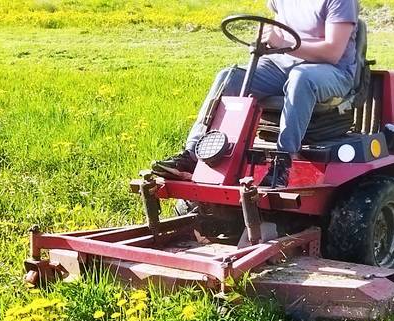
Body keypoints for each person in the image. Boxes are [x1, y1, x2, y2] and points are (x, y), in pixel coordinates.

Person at [153, 0, 360, 188]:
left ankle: (284, 161)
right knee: (229, 77)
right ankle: (192, 156)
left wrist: (284, 45)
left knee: (300, 78)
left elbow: (333, 52)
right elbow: (278, 23)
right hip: (281, 65)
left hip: (332, 72)